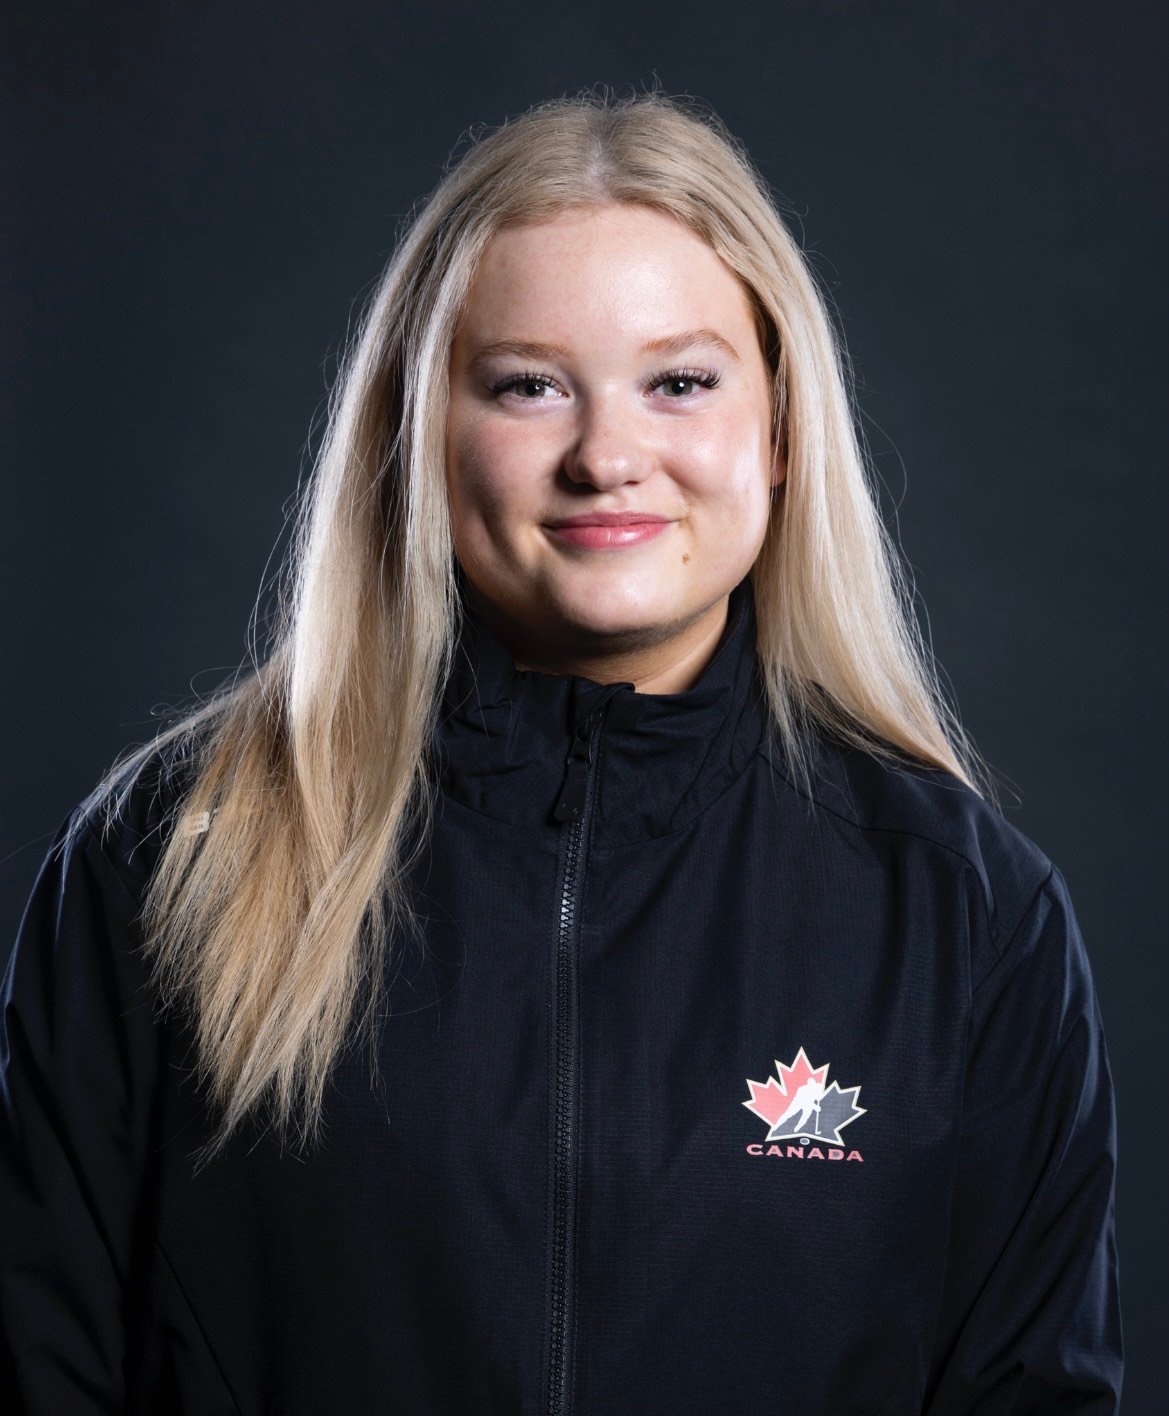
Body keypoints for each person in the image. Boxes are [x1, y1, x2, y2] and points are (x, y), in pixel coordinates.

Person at [0, 88, 1122, 1415]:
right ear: (420, 432)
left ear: (778, 429)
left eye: (680, 383)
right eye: (527, 386)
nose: (606, 457)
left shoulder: (963, 911)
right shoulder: (171, 855)